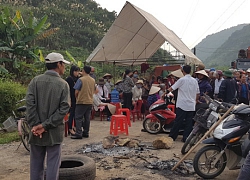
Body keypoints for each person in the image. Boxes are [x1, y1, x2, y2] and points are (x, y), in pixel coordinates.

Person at [26, 52, 71, 180]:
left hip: (35, 132)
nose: (64, 67)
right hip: (54, 132)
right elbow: (64, 109)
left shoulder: (35, 81)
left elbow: (30, 105)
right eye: (63, 64)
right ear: (58, 64)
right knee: (53, 165)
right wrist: (45, 126)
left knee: (36, 165)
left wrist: (36, 125)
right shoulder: (63, 84)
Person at [168, 65, 200, 142]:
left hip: (182, 104)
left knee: (178, 121)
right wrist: (195, 101)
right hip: (191, 105)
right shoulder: (195, 81)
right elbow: (198, 93)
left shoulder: (181, 80)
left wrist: (164, 93)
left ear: (183, 71)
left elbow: (171, 88)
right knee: (189, 123)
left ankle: (172, 136)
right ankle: (186, 138)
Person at [71, 66, 95, 139]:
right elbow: (94, 90)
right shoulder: (93, 80)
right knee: (87, 118)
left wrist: (77, 97)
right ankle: (86, 132)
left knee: (78, 117)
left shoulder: (80, 80)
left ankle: (79, 133)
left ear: (83, 71)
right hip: (90, 101)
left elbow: (76, 91)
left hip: (81, 101)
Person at [65, 65, 80, 135]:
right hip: (71, 99)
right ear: (72, 71)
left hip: (77, 99)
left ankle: (75, 127)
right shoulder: (69, 79)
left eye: (78, 71)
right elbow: (67, 91)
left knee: (76, 114)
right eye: (76, 71)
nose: (77, 73)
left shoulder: (78, 79)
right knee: (71, 114)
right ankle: (70, 128)